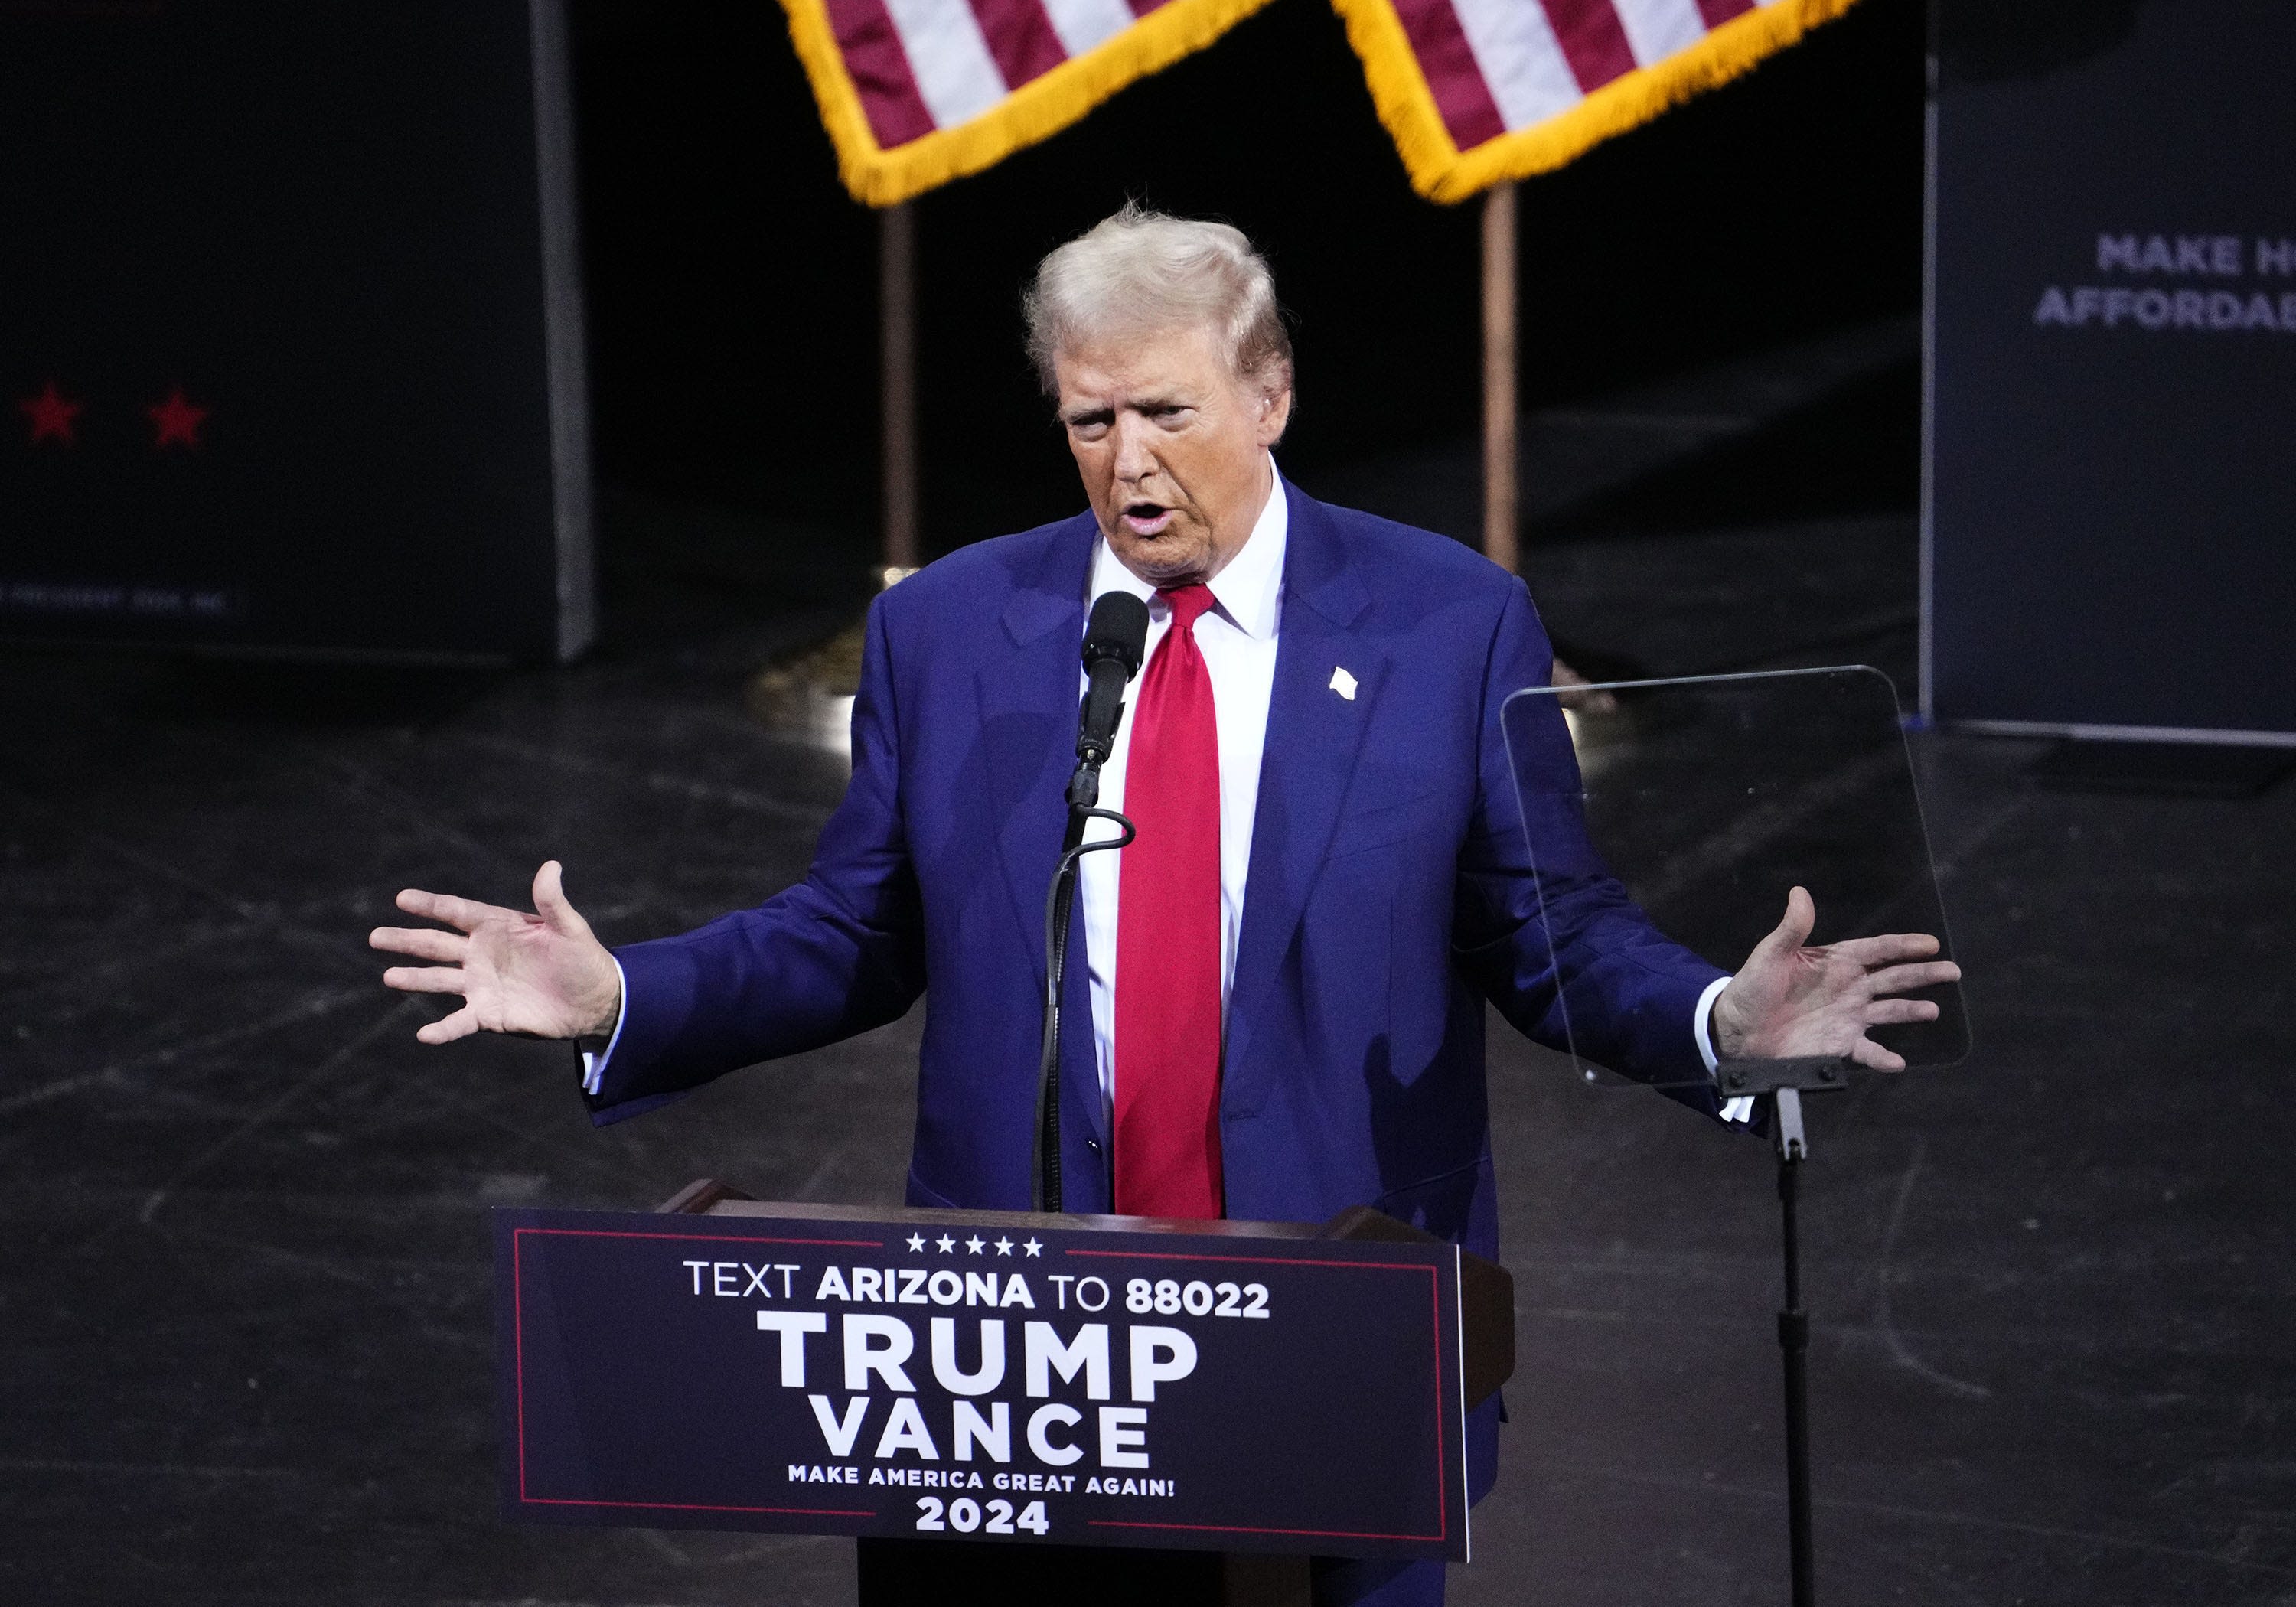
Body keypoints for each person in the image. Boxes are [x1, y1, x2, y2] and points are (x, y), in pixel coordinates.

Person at [370, 208, 1958, 1605]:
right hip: (1022, 1370)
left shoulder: (1447, 625)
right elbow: (854, 932)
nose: (1128, 462)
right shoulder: (950, 631)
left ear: (1270, 395)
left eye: (1168, 412)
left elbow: (1552, 934)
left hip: (1334, 1338)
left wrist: (1717, 1024)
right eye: (1089, 420)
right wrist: (621, 999)